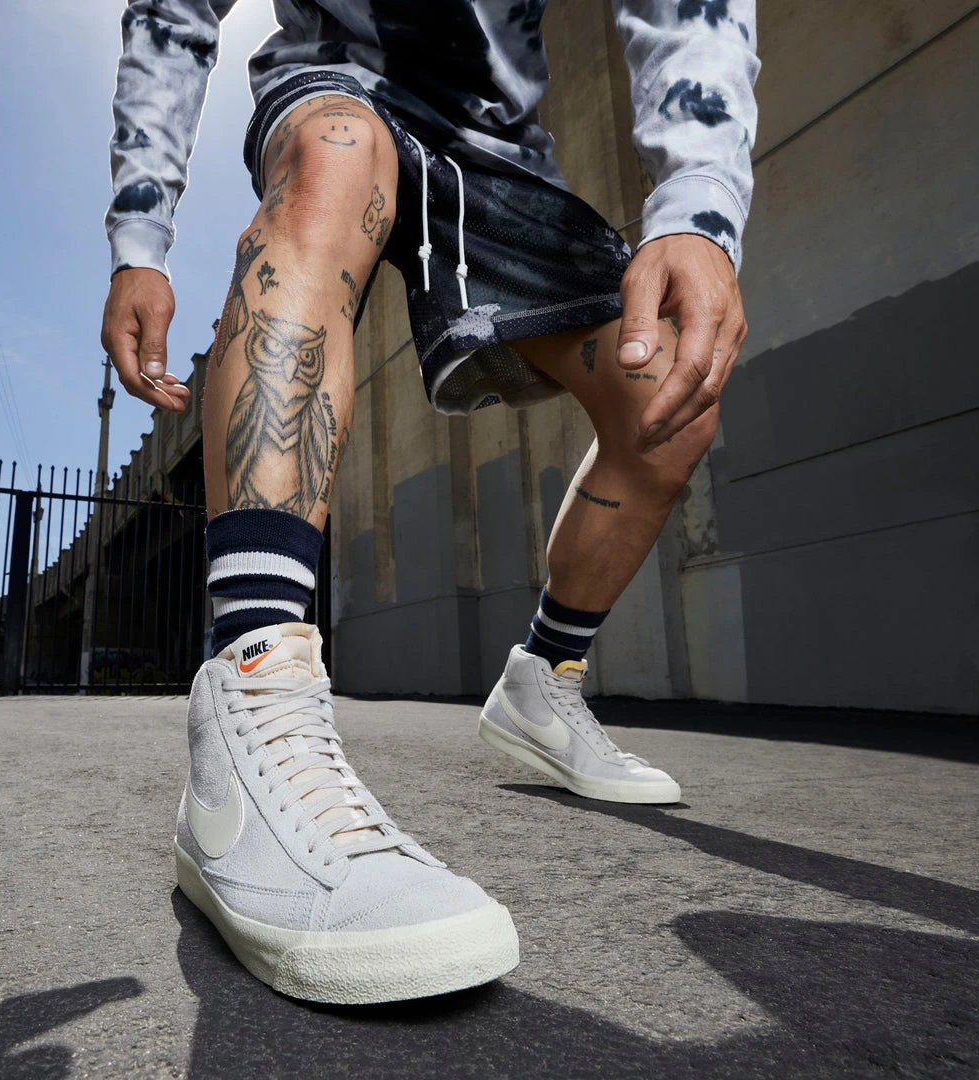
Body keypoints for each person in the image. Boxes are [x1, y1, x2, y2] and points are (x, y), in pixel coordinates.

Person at [101, 0, 759, 1004]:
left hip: (495, 142)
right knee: (334, 150)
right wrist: (140, 238)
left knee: (667, 407)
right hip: (338, 76)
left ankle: (544, 680)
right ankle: (250, 703)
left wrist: (700, 201)